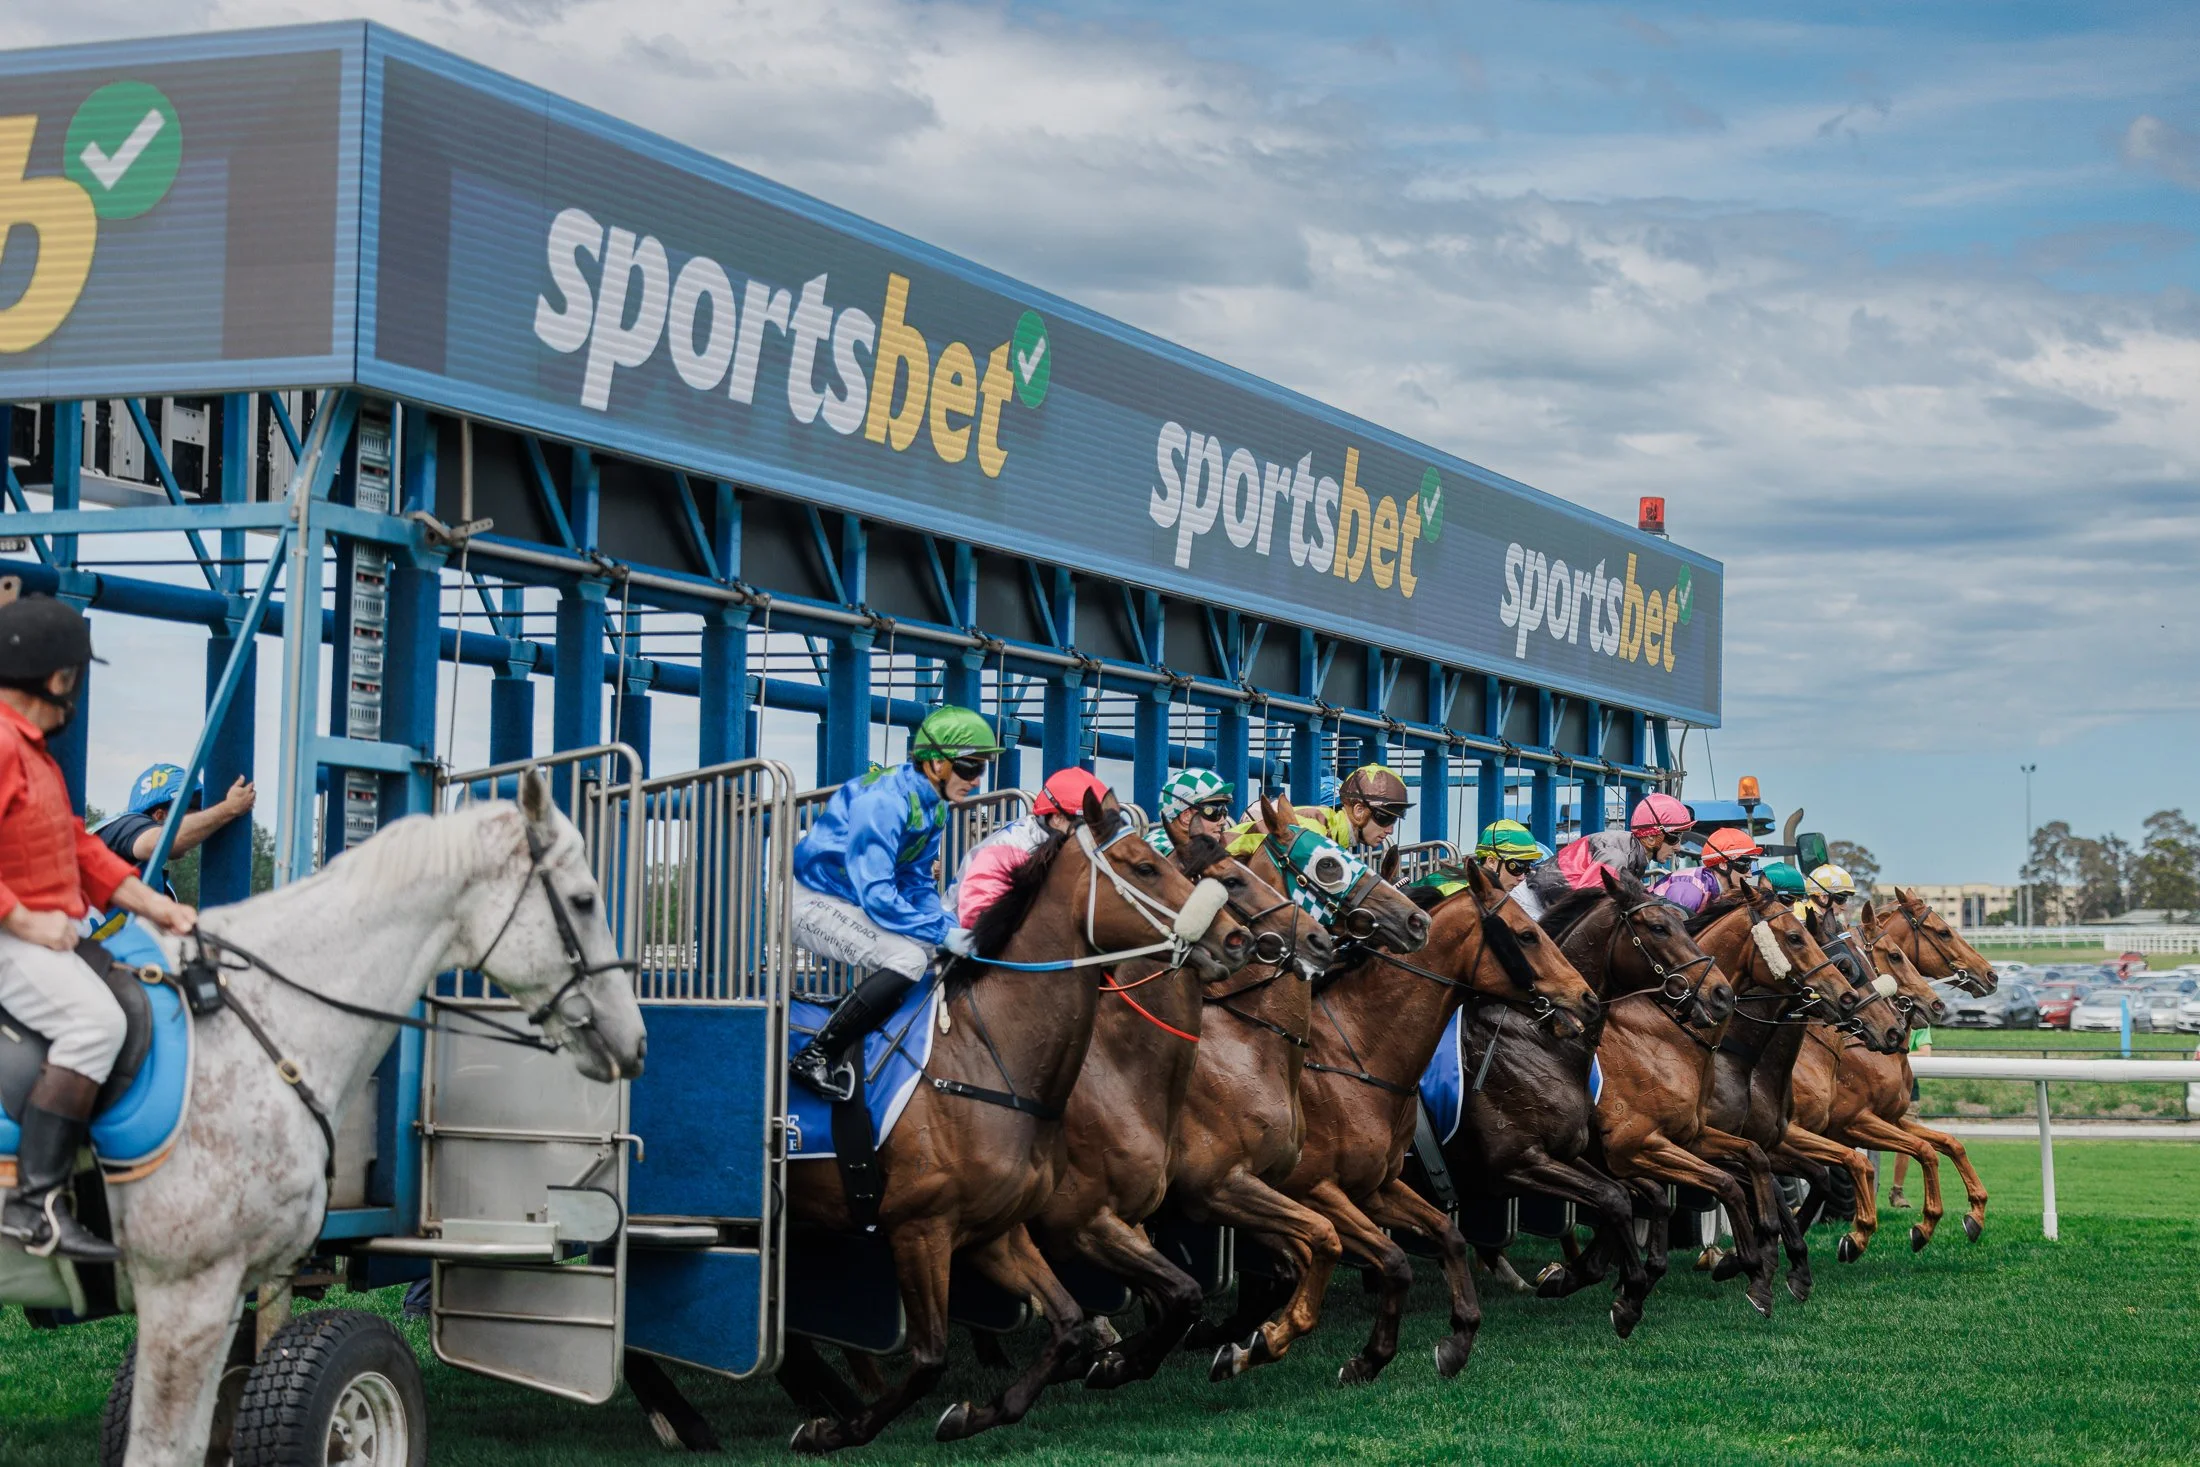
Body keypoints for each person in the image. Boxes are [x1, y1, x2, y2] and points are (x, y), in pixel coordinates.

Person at [0, 596, 196, 1261]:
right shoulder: (1, 744)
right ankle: (35, 1207)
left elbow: (84, 855)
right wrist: (23, 917)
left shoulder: (37, 758)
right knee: (97, 1023)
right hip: (10, 935)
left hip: (41, 934)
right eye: (75, 676)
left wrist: (161, 908)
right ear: (56, 678)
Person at [785, 706, 1002, 1099]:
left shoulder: (934, 807)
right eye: (970, 767)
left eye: (982, 767)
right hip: (811, 900)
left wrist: (948, 925)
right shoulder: (885, 801)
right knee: (909, 958)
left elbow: (916, 883)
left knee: (934, 950)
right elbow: (878, 895)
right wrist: (941, 932)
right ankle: (815, 1054)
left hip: (852, 903)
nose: (978, 779)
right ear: (936, 762)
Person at [951, 766, 1115, 928]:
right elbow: (977, 919)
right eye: (1087, 826)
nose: (1095, 837)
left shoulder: (1063, 846)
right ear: (1057, 817)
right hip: (955, 938)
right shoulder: (1007, 849)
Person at [94, 763, 256, 899]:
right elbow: (160, 843)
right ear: (159, 815)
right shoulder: (122, 827)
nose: (200, 827)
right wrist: (228, 809)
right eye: (191, 814)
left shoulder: (161, 888)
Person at [1523, 791, 1693, 911]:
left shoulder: (1632, 853)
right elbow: (1590, 904)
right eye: (1674, 837)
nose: (1677, 847)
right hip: (1533, 901)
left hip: (1545, 899)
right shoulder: (1617, 856)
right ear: (1650, 838)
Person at [1255, 764, 1412, 852]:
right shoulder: (1314, 832)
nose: (1390, 830)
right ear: (1358, 811)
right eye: (1386, 818)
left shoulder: (1331, 834)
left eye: (1395, 820)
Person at [1653, 827, 1762, 914]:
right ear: (1723, 865)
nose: (1749, 874)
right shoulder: (1690, 890)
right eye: (1745, 865)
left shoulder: (1717, 892)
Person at [1889, 1021, 1933, 1210]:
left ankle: (1897, 1190)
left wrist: (1893, 1056)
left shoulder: (1920, 1023)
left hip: (1907, 1087)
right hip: (1876, 1084)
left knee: (1906, 1142)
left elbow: (1925, 1053)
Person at [1148, 769, 1235, 857]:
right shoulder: (1157, 844)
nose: (1223, 822)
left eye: (1224, 812)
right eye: (1214, 811)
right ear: (1186, 816)